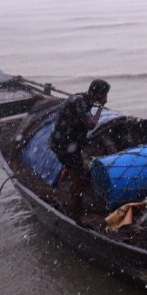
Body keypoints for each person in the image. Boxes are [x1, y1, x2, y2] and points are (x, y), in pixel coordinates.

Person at [49, 79, 110, 220]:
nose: (106, 97)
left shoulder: (84, 100)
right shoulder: (79, 101)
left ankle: (77, 208)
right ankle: (77, 216)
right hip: (63, 145)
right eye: (105, 94)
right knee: (77, 179)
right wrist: (100, 108)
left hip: (70, 144)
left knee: (78, 175)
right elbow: (90, 124)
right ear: (99, 93)